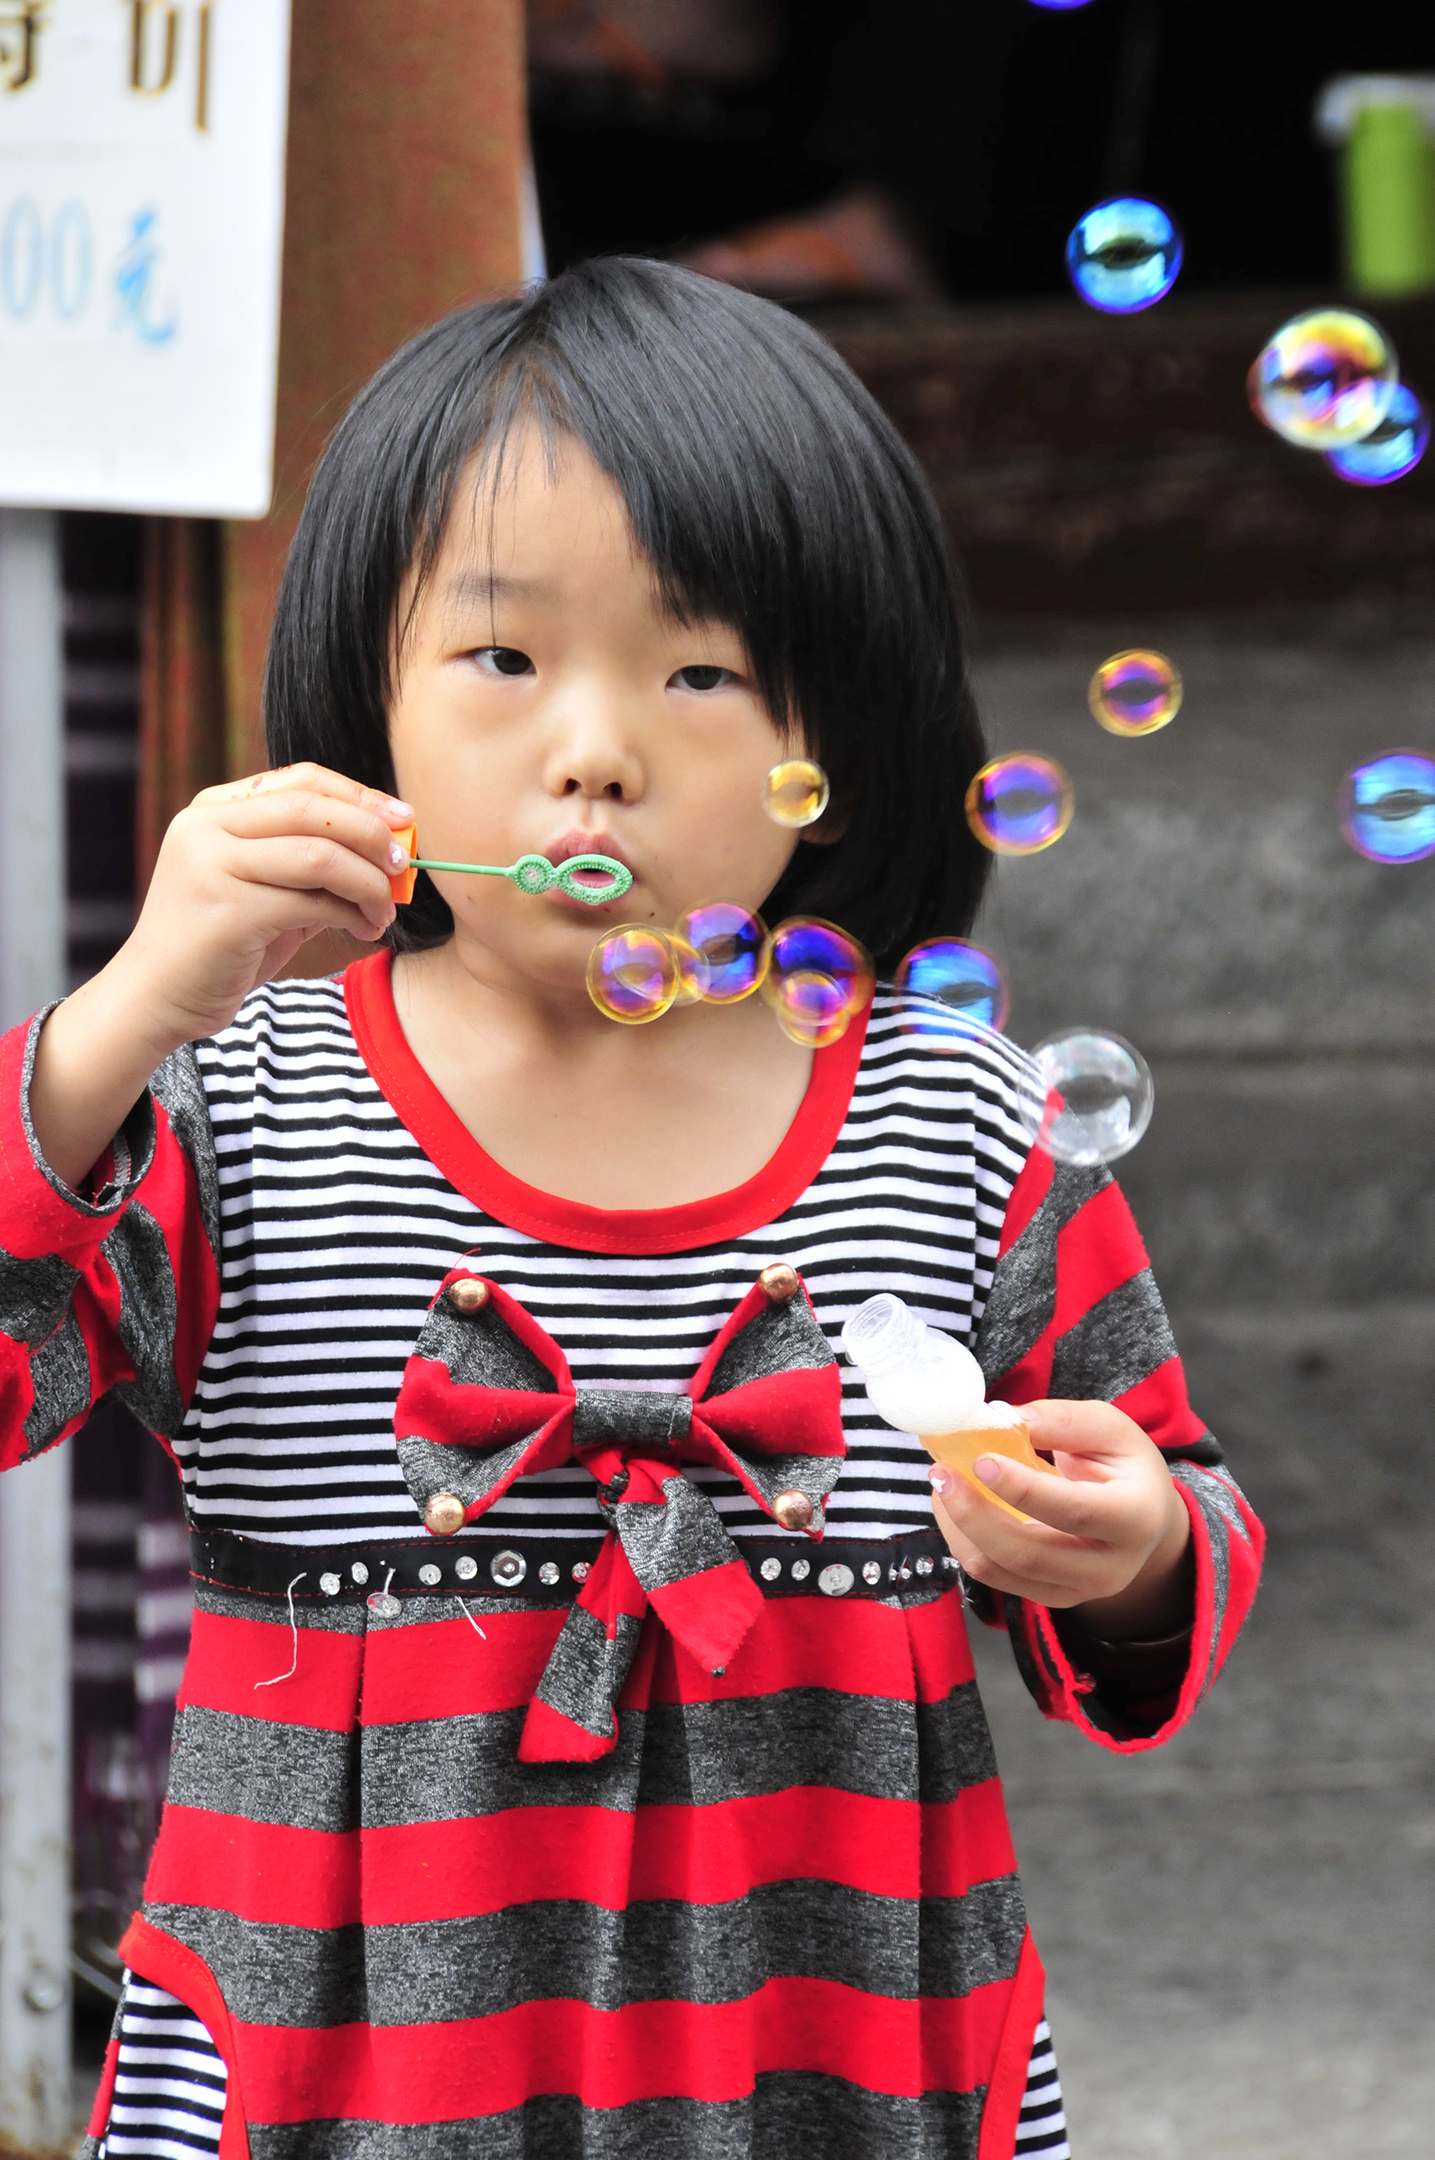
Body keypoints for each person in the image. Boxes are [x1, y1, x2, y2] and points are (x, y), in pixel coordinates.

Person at [0, 258, 1263, 2160]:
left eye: (700, 673)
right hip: (339, 2078)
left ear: (835, 744)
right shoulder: (230, 1106)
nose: (594, 746)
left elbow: (1181, 1502)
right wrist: (113, 1026)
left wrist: (1138, 1544)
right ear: (368, 699)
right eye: (504, 660)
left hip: (838, 2055)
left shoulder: (960, 1128)